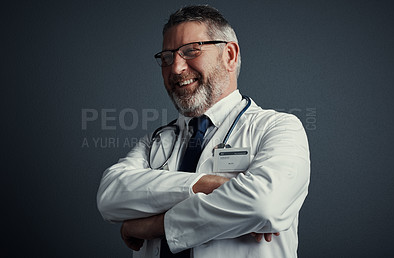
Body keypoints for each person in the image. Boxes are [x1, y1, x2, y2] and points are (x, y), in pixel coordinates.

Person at [97, 5, 310, 258]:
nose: (175, 68)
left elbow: (264, 205)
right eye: (167, 57)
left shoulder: (278, 128)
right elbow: (110, 195)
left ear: (229, 55)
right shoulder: (156, 141)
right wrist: (207, 184)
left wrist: (153, 225)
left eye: (191, 51)